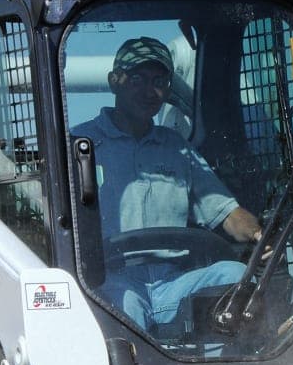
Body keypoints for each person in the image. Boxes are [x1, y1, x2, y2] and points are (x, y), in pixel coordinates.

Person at [73, 37, 263, 334]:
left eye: (159, 81)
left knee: (234, 275)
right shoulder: (79, 144)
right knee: (125, 307)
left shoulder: (177, 149)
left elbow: (225, 212)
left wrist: (258, 233)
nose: (150, 91)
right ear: (114, 81)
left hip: (174, 282)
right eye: (138, 79)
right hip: (112, 279)